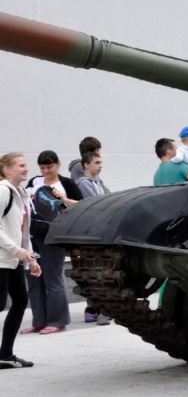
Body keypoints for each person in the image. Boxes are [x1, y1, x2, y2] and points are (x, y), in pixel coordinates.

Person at [23, 150, 81, 335]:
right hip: (34, 235)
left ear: (58, 164)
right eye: (43, 167)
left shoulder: (66, 183)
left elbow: (82, 205)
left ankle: (58, 321)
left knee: (52, 278)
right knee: (34, 279)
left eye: (50, 166)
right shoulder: (34, 181)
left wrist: (63, 199)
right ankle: (39, 321)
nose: (46, 171)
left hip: (54, 235)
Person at [0, 152, 43, 368]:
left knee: (20, 301)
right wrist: (18, 251)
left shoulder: (21, 193)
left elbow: (23, 231)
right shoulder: (2, 191)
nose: (26, 169)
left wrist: (30, 258)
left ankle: (5, 354)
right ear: (7, 169)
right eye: (21, 165)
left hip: (13, 259)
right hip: (2, 258)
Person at [74, 151, 112, 325]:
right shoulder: (83, 184)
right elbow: (98, 203)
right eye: (96, 162)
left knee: (99, 273)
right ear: (86, 165)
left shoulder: (98, 182)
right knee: (96, 273)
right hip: (91, 235)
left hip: (100, 233)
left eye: (101, 162)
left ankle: (95, 309)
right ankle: (97, 310)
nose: (101, 165)